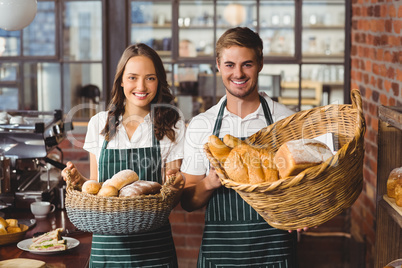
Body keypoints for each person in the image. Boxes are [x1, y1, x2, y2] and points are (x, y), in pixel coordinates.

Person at [180, 27, 299, 267]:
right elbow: (188, 201)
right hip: (219, 256)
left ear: (260, 63)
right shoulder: (202, 125)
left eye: (247, 64)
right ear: (218, 65)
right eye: (229, 65)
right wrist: (210, 181)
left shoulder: (286, 120)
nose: (238, 73)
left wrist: (302, 211)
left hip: (275, 255)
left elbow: (302, 186)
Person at [61, 43, 185, 268]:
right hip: (107, 248)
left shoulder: (171, 125)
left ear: (159, 81)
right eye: (132, 77)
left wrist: (175, 189)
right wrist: (80, 183)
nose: (141, 86)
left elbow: (172, 198)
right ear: (121, 80)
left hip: (154, 248)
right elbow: (97, 188)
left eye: (150, 78)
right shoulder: (99, 123)